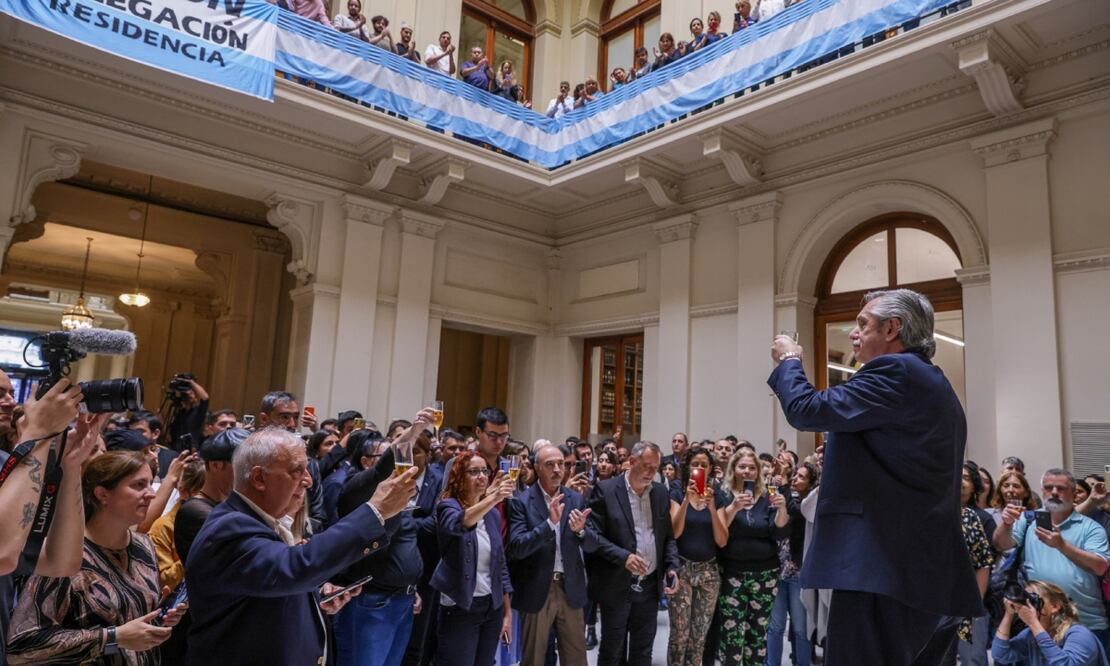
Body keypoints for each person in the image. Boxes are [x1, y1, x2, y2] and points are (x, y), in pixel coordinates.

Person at [768, 288, 983, 664]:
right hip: (921, 572)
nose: (854, 333)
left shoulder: (896, 370)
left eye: (863, 324)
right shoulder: (932, 381)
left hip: (884, 568)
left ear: (892, 328)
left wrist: (789, 359)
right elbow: (899, 459)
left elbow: (807, 409)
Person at [185, 427, 418, 664]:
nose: (308, 480)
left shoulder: (256, 521)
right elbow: (294, 567)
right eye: (297, 470)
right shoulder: (231, 527)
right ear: (258, 478)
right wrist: (375, 511)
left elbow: (266, 589)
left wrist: (314, 597)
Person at [7, 451, 187, 664]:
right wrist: (113, 638)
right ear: (102, 494)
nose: (151, 494)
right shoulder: (65, 556)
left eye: (150, 483)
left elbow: (129, 620)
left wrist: (159, 615)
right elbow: (22, 645)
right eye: (139, 485)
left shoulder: (144, 545)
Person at [334, 413, 434, 666]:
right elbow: (383, 467)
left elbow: (406, 546)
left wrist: (412, 588)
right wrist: (415, 429)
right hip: (372, 602)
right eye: (391, 455)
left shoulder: (399, 496)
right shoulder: (356, 489)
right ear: (367, 462)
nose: (401, 460)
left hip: (403, 601)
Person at [993, 468, 1109, 649]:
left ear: (1073, 492)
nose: (1054, 492)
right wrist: (1006, 524)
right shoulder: (1028, 520)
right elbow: (1001, 544)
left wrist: (1062, 545)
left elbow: (1100, 566)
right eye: (1049, 488)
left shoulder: (1091, 527)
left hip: (1086, 623)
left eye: (1061, 488)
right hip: (1041, 622)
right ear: (1042, 491)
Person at [587, 441, 680, 665]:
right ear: (631, 462)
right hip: (617, 583)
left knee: (643, 651)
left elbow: (667, 537)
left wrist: (672, 566)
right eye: (646, 466)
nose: (651, 472)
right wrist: (623, 557)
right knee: (612, 650)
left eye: (655, 467)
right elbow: (593, 536)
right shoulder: (607, 490)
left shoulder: (659, 492)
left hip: (648, 585)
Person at [507, 442, 596, 666]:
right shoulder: (521, 502)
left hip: (570, 588)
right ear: (537, 467)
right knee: (533, 659)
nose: (557, 469)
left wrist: (582, 531)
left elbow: (593, 544)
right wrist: (549, 524)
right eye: (550, 464)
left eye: (561, 464)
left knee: (576, 658)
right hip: (537, 588)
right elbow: (517, 547)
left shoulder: (574, 499)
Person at [432, 451, 515, 665]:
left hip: (491, 606)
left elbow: (500, 566)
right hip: (460, 605)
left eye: (484, 471)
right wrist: (494, 497)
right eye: (473, 471)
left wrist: (507, 612)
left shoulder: (492, 514)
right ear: (459, 478)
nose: (481, 476)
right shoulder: (448, 506)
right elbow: (460, 523)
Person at [714, 449, 789, 665]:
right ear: (734, 469)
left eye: (752, 467)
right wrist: (734, 507)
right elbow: (719, 531)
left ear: (758, 471)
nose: (747, 471)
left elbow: (779, 532)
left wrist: (782, 508)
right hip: (732, 573)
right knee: (732, 632)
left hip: (765, 575)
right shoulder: (724, 494)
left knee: (758, 633)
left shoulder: (768, 496)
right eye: (742, 467)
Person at [667, 446, 727, 666]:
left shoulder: (718, 495)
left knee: (699, 636)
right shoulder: (676, 489)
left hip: (708, 572)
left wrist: (711, 508)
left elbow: (721, 540)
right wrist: (686, 500)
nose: (699, 468)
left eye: (704, 465)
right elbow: (674, 532)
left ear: (711, 469)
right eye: (695, 464)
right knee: (679, 635)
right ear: (687, 467)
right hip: (682, 568)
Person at [766, 461, 818, 666]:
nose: (796, 479)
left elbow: (794, 510)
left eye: (802, 477)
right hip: (777, 570)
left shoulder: (808, 503)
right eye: (795, 475)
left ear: (811, 483)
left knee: (800, 628)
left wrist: (786, 484)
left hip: (798, 573)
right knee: (775, 627)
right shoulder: (783, 495)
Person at [992, 580, 1109, 666]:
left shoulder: (1079, 634)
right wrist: (1009, 614)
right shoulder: (1030, 634)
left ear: (1055, 606)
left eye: (1033, 599)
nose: (1028, 605)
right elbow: (1001, 655)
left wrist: (1033, 624)